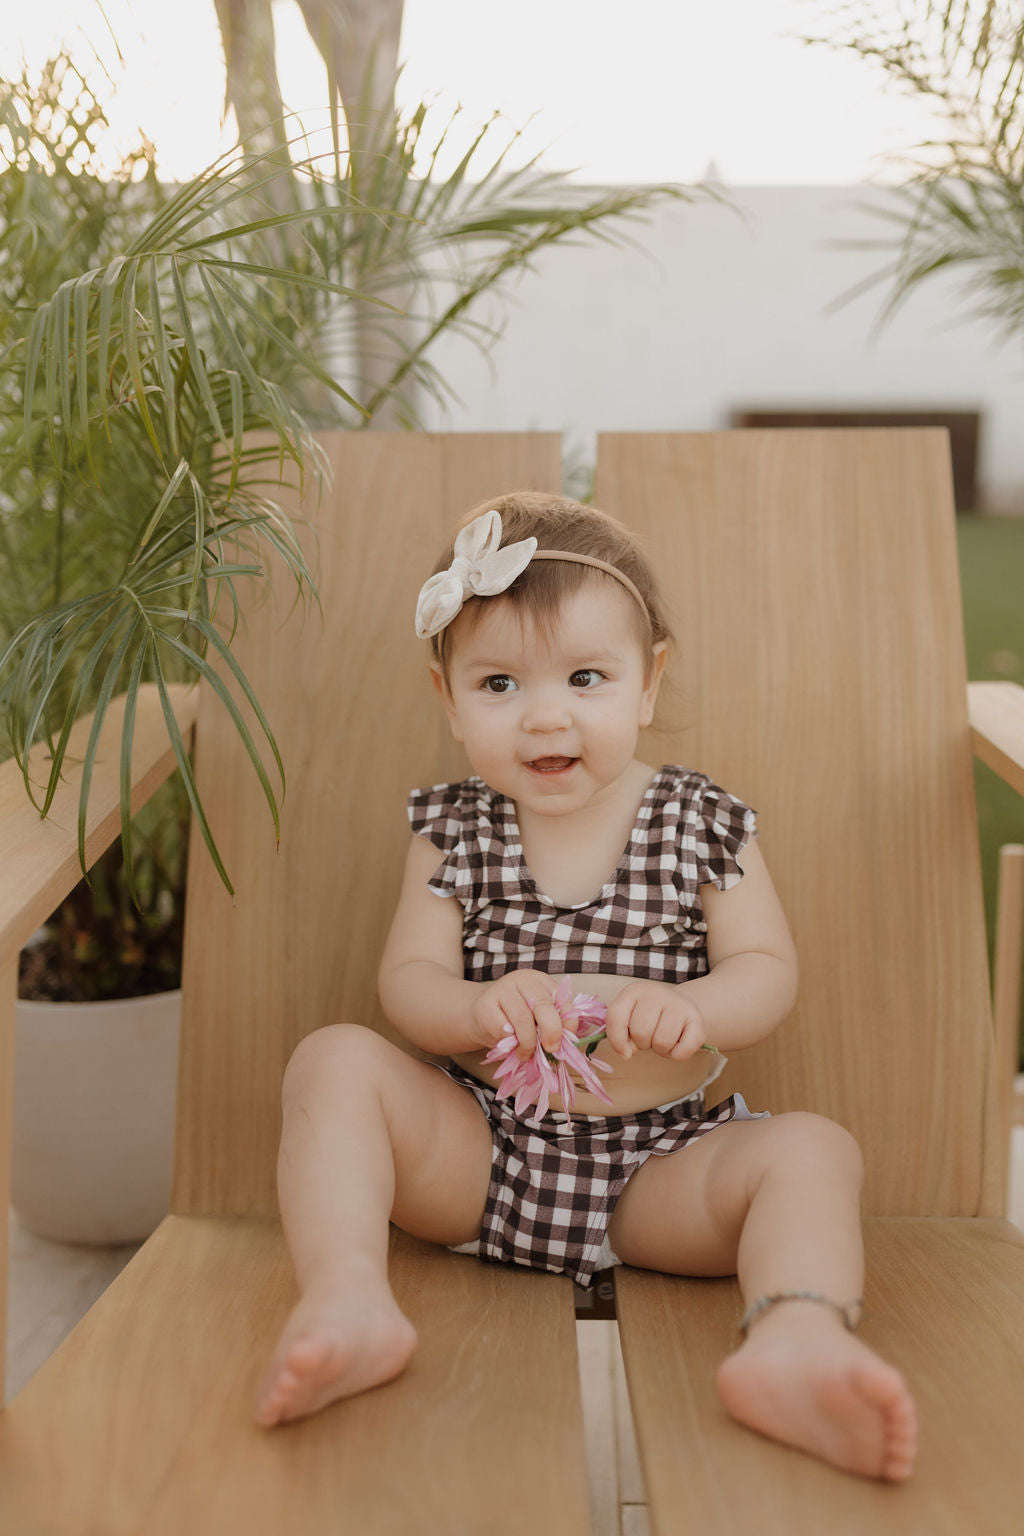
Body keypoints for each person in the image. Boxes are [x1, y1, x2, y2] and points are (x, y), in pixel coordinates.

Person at [252, 491, 917, 1483]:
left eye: (586, 677)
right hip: (477, 1154)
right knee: (332, 1060)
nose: (546, 713)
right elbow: (408, 981)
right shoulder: (455, 829)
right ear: (446, 698)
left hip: (656, 1173)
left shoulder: (702, 822)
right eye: (498, 684)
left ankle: (797, 1338)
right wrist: (475, 1005)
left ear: (648, 685)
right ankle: (347, 1296)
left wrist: (693, 1007)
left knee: (813, 1151)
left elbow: (765, 971)